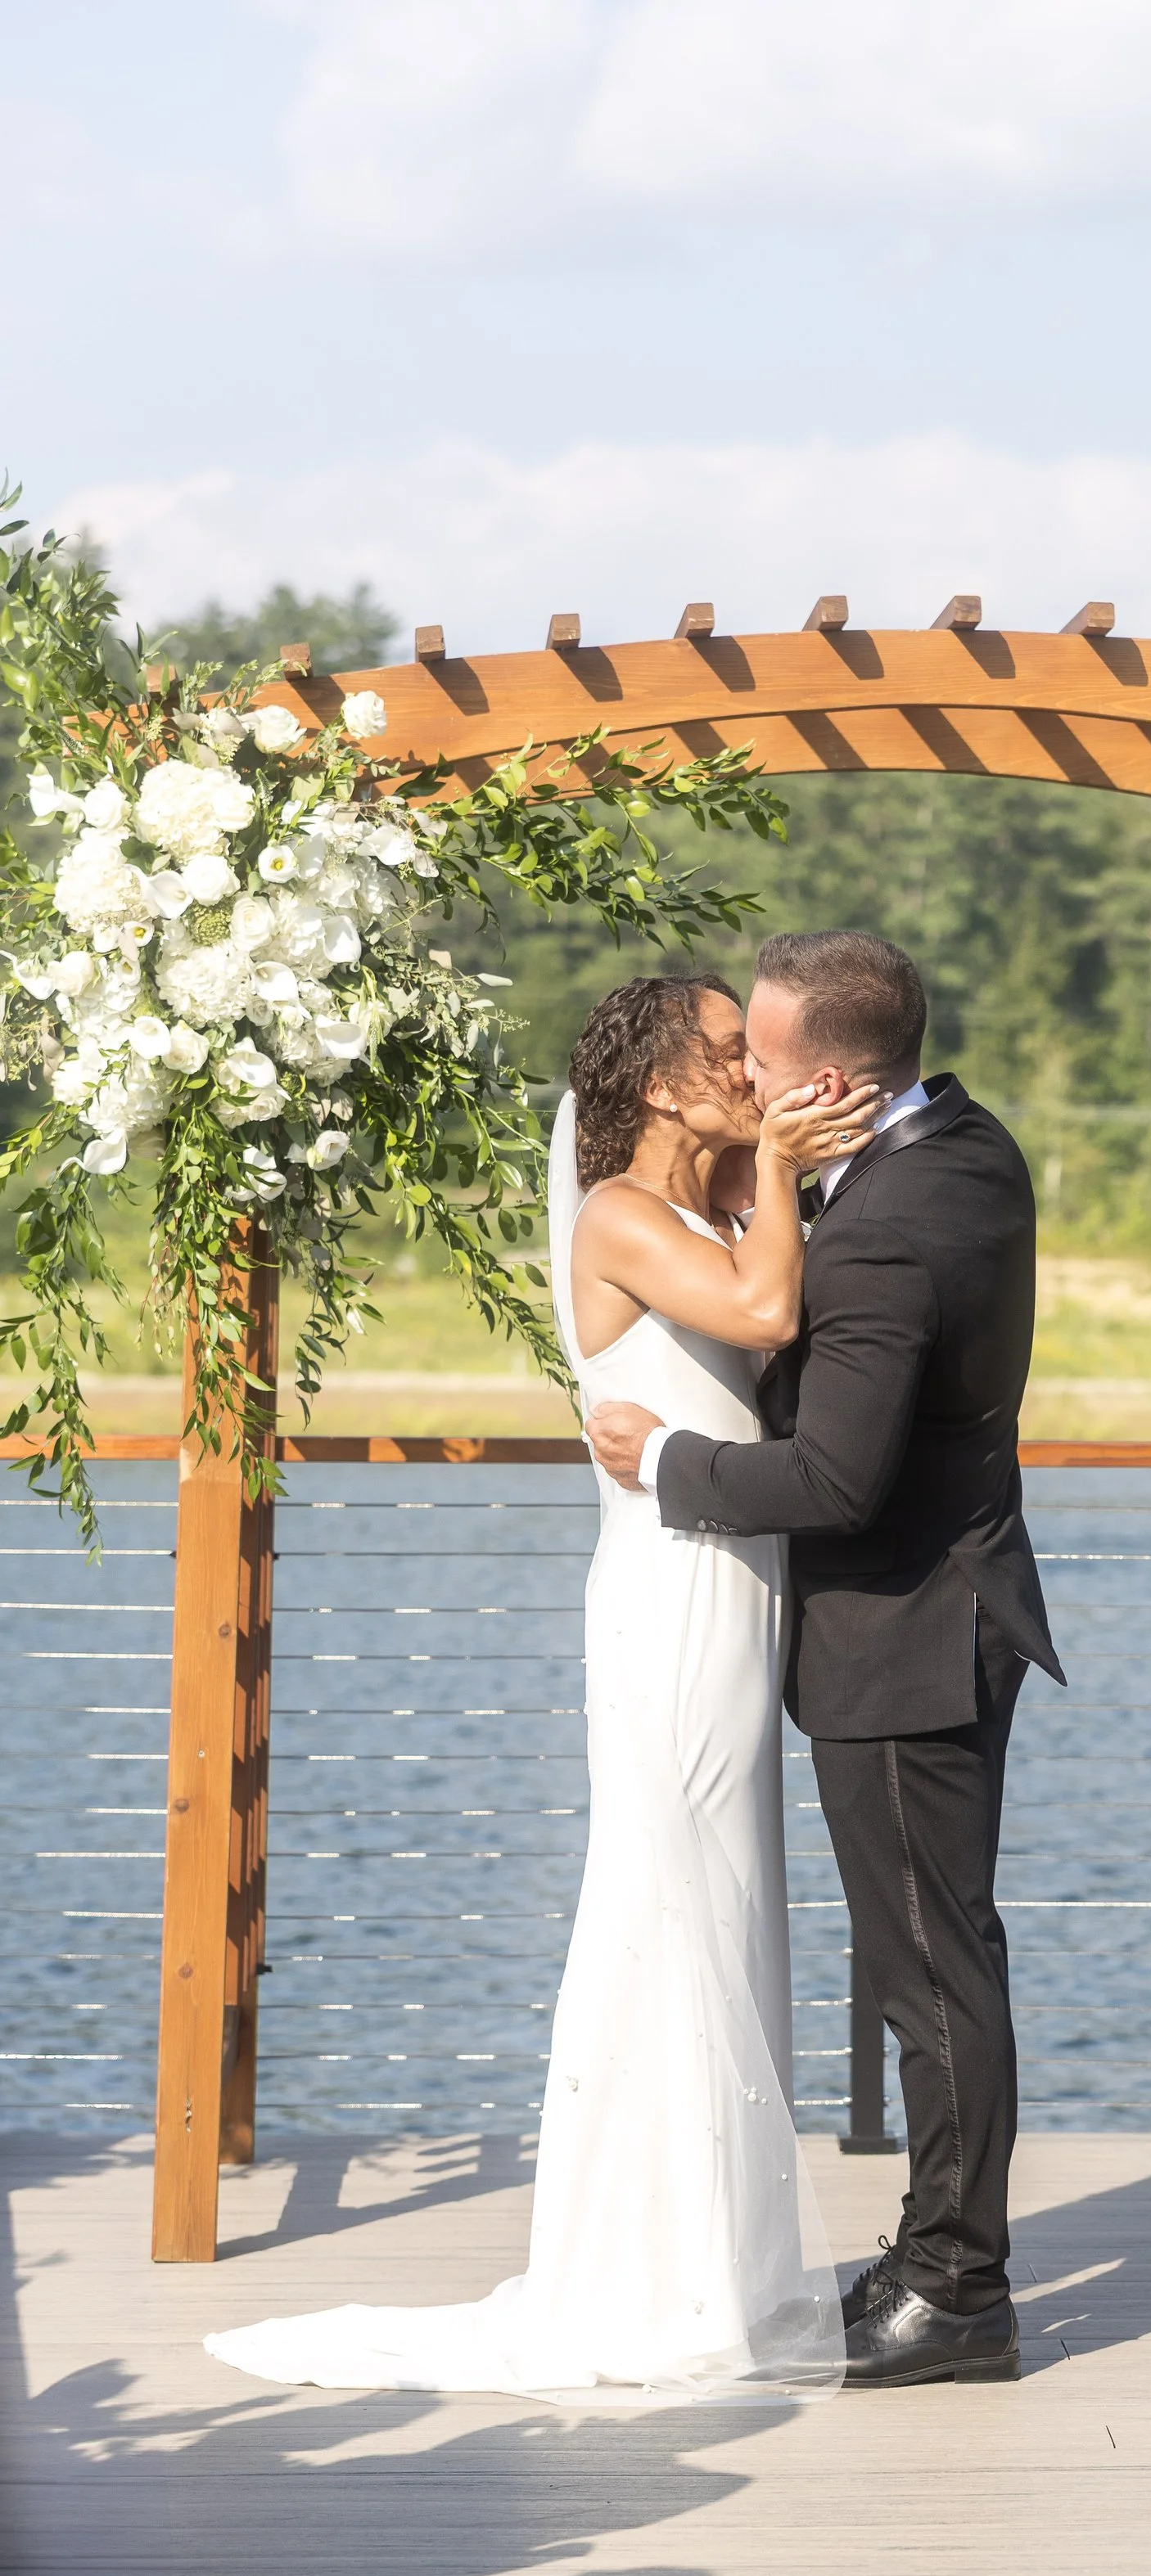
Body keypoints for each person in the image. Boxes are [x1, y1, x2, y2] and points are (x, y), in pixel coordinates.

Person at [205, 972, 873, 2403]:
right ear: (654, 1082)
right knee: (667, 1903)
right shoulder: (627, 1219)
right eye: (725, 1054)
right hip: (672, 1596)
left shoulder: (712, 1208)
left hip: (740, 1588)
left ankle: (726, 2264)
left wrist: (783, 1181)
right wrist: (778, 1171)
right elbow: (763, 1316)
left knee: (733, 1908)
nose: (755, 1074)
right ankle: (648, 2275)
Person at [586, 929, 1063, 2390]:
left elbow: (838, 1482)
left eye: (767, 1063)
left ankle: (960, 2293)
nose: (749, 1078)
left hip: (902, 1636)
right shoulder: (969, 1146)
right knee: (936, 1959)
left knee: (932, 1973)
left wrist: (667, 1463)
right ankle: (929, 2248)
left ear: (840, 1081)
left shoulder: (882, 1228)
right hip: (938, 1613)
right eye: (730, 1062)